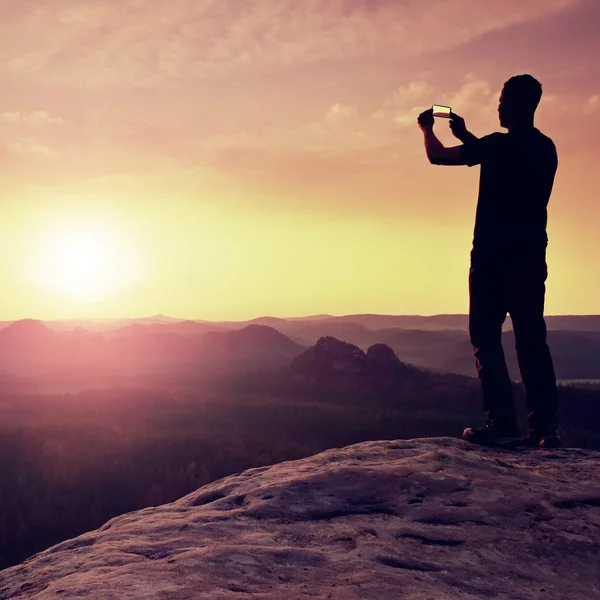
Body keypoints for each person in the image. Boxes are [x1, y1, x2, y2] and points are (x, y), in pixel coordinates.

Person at [417, 74, 561, 448]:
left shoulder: (496, 146)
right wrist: (468, 137)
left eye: (501, 99)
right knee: (532, 340)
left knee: (486, 339)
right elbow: (501, 159)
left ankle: (502, 423)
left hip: (491, 259)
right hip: (530, 258)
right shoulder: (546, 148)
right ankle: (545, 428)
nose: (497, 106)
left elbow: (436, 157)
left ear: (515, 104)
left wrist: (426, 129)